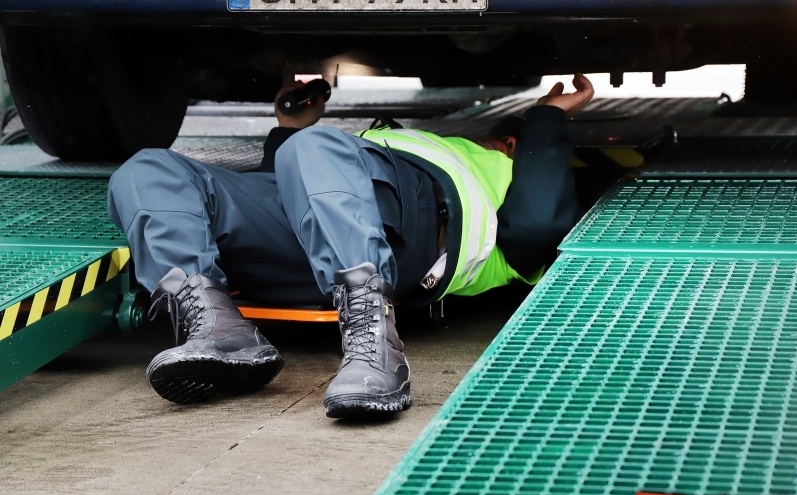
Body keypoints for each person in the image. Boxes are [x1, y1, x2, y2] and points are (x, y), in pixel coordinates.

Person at [107, 74, 595, 418]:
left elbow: (538, 226)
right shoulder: (340, 147)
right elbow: (295, 181)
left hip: (405, 238)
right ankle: (216, 326)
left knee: (310, 146)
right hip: (307, 232)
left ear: (511, 144)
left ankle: (373, 342)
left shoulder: (502, 171)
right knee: (148, 169)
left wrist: (547, 119)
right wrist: (289, 124)